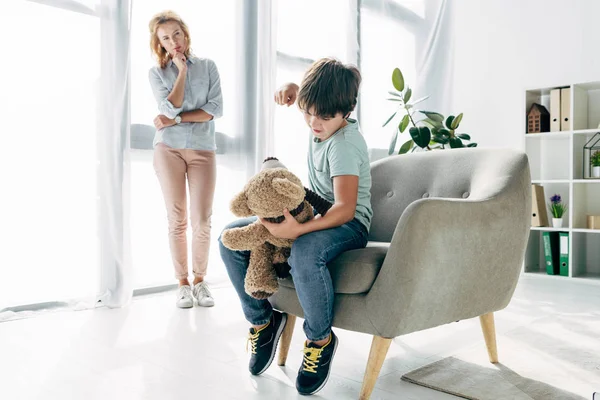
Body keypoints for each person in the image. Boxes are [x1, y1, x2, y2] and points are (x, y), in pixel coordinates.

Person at [219, 58, 372, 395]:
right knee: (229, 237)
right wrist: (294, 90)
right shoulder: (321, 114)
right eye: (308, 112)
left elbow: (345, 210)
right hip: (314, 213)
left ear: (347, 111)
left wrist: (297, 232)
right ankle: (263, 320)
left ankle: (320, 339)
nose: (314, 123)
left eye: (324, 116)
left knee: (303, 252)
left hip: (349, 224)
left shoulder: (344, 145)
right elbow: (313, 98)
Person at [148, 10, 223, 308]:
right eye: (165, 38)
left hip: (204, 149)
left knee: (202, 219)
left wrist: (175, 120)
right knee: (177, 218)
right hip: (168, 150)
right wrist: (181, 73)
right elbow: (166, 110)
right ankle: (182, 284)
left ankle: (201, 281)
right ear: (160, 43)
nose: (173, 41)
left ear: (185, 34)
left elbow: (214, 109)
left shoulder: (208, 66)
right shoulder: (156, 73)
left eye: (176, 34)